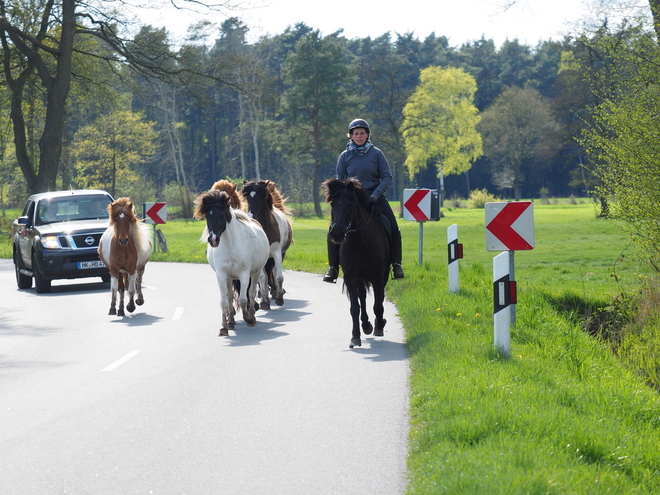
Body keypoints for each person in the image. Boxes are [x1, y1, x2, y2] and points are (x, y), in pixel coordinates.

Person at [323, 118, 404, 283]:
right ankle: (333, 267)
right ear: (351, 136)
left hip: (375, 197)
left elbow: (386, 177)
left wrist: (375, 195)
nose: (359, 136)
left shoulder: (377, 154)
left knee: (393, 226)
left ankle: (396, 264)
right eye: (356, 133)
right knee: (334, 228)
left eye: (362, 133)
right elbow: (341, 181)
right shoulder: (344, 156)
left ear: (367, 135)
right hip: (351, 200)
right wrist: (347, 197)